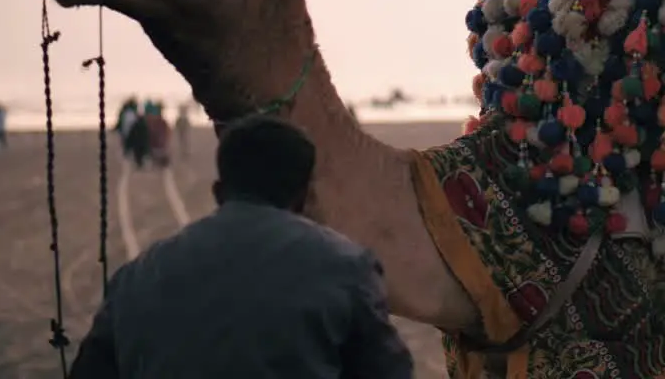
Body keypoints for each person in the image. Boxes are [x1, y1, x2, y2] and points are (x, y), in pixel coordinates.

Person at [70, 114, 413, 379]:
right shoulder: (346, 267)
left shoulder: (136, 275)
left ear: (218, 192)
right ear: (306, 197)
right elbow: (388, 371)